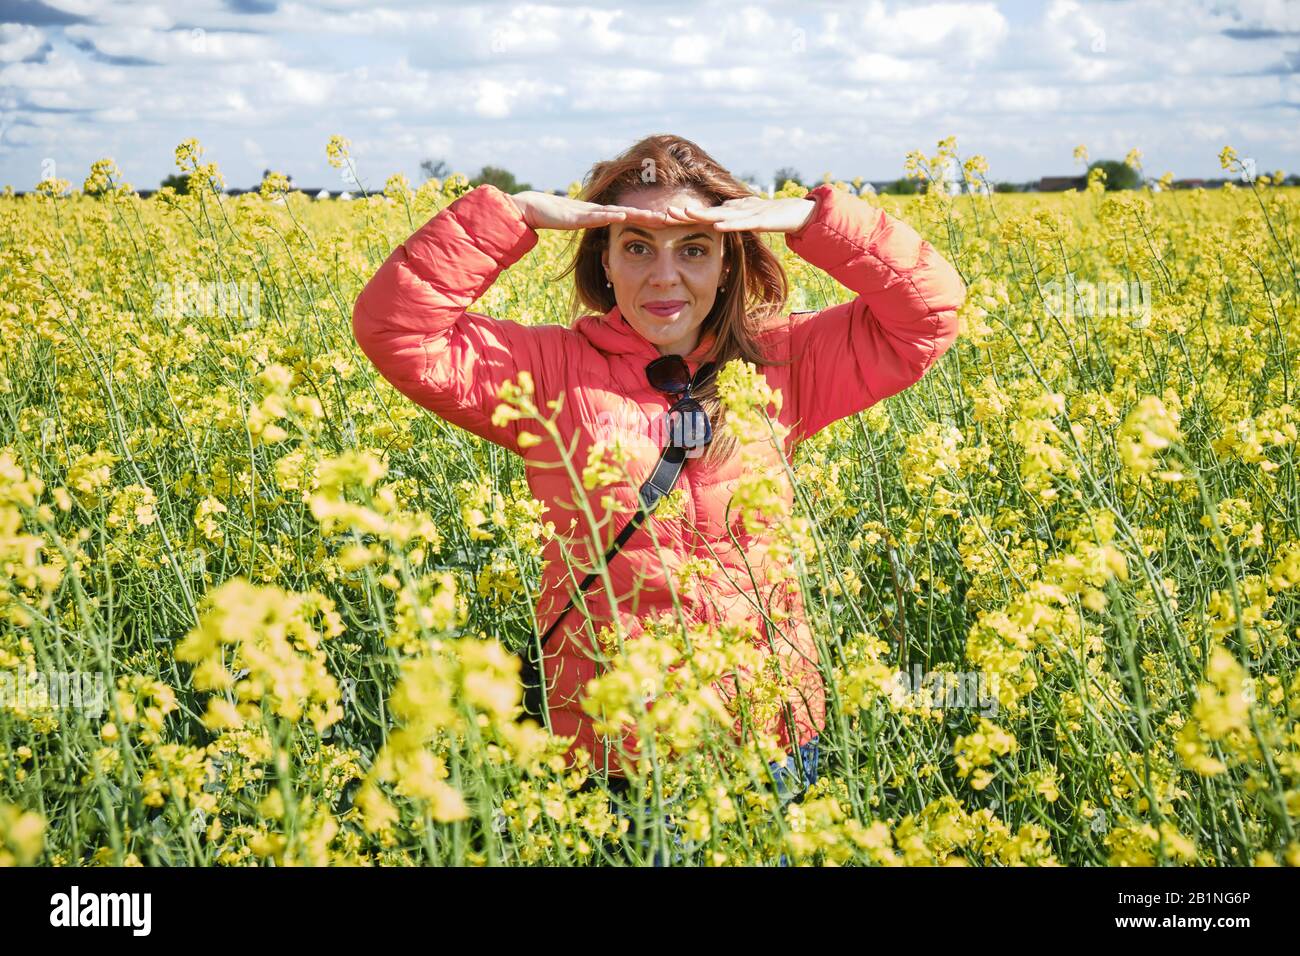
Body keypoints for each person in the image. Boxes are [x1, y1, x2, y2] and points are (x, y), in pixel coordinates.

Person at [351, 134, 965, 804]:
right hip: (611, 749)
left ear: (729, 261)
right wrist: (510, 215)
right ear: (605, 261)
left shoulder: (785, 362)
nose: (663, 276)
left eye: (694, 249)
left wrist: (812, 220)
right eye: (637, 246)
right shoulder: (549, 370)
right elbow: (398, 330)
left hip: (767, 739)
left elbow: (929, 315)